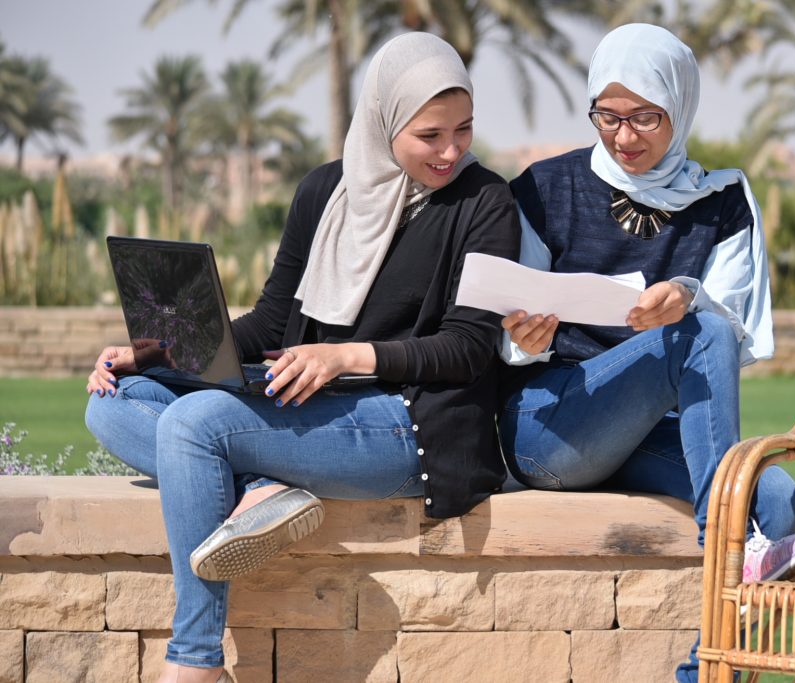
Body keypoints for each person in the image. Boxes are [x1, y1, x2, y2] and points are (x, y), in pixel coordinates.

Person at [85, 32, 519, 683]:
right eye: (431, 135)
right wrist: (151, 352)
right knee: (114, 401)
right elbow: (269, 324)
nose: (452, 150)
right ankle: (261, 488)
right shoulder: (325, 191)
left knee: (194, 423)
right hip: (304, 402)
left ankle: (195, 660)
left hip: (406, 422)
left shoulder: (486, 203)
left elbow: (468, 347)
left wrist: (346, 355)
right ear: (383, 121)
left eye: (464, 130)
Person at [496, 24, 795, 680]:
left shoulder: (722, 201)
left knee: (778, 500)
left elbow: (736, 325)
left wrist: (687, 296)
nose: (624, 136)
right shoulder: (544, 189)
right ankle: (730, 547)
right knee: (699, 336)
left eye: (646, 116)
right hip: (550, 425)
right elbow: (498, 317)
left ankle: (702, 671)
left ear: (680, 108)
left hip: (650, 432)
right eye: (609, 115)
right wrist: (519, 336)